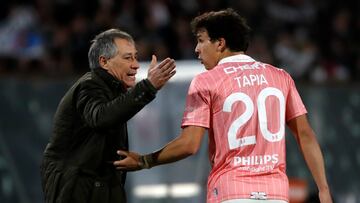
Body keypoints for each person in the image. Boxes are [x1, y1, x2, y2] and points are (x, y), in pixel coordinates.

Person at [114, 9, 333, 203]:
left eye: (201, 40)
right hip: (275, 193)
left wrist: (144, 161)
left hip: (231, 191)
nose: (197, 49)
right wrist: (323, 189)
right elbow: (305, 135)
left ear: (220, 43)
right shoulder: (280, 77)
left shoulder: (206, 80)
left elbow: (189, 144)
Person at [40, 28, 176, 203]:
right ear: (104, 62)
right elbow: (101, 117)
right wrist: (148, 87)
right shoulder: (89, 85)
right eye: (128, 58)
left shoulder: (111, 90)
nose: (136, 65)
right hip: (77, 186)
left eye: (135, 57)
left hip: (99, 185)